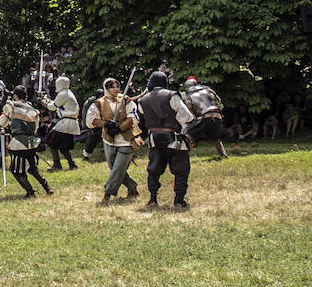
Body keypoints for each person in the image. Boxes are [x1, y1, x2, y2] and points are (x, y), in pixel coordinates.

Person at [139, 70, 195, 209]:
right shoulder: (171, 96)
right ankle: (179, 200)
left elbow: (142, 114)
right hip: (174, 139)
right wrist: (179, 125)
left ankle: (153, 199)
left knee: (153, 170)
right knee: (181, 170)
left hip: (153, 139)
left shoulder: (142, 99)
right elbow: (187, 116)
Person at [88, 78, 140, 205]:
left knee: (117, 169)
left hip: (126, 141)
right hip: (109, 141)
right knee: (116, 169)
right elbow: (91, 120)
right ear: (107, 88)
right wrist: (106, 124)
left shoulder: (126, 100)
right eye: (113, 87)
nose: (116, 89)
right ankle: (132, 188)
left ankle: (108, 193)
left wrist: (118, 128)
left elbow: (133, 118)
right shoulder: (98, 103)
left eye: (118, 86)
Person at [0, 87, 52, 198]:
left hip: (18, 143)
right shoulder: (32, 109)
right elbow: (35, 128)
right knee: (32, 168)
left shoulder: (11, 106)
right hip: (32, 143)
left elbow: (2, 123)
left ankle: (30, 192)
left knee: (16, 171)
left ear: (15, 96)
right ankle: (47, 188)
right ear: (26, 97)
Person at [180, 76, 228, 158]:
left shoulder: (189, 96)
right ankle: (223, 155)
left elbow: (188, 111)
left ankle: (183, 155)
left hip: (205, 117)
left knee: (189, 135)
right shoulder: (208, 91)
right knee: (215, 138)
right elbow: (219, 103)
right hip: (217, 115)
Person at [42, 76, 80, 171]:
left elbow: (53, 107)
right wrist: (45, 99)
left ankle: (57, 164)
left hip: (65, 122)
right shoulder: (68, 93)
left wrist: (42, 102)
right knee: (64, 147)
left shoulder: (63, 94)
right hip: (69, 122)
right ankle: (72, 164)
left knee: (52, 143)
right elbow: (56, 104)